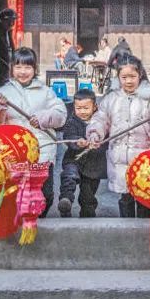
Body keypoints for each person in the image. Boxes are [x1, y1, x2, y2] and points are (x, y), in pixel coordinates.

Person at [0, 47, 67, 217]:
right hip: (14, 152)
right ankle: (22, 224)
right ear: (12, 68)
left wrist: (43, 119)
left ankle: (38, 221)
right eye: (18, 67)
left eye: (27, 67)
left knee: (45, 194)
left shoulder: (46, 92)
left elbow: (61, 114)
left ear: (35, 69)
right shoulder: (2, 93)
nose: (23, 72)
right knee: (18, 194)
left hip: (42, 150)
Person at [86, 54, 150, 218]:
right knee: (125, 197)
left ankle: (143, 228)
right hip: (119, 159)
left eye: (132, 76)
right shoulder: (112, 98)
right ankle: (126, 227)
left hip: (144, 159)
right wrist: (95, 133)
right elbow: (101, 119)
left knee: (144, 198)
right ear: (118, 77)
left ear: (140, 75)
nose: (128, 81)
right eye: (124, 77)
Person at [58, 89, 107, 218]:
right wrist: (77, 141)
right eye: (78, 108)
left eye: (86, 108)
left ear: (94, 107)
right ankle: (66, 200)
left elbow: (106, 138)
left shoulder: (102, 122)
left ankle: (88, 212)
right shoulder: (72, 121)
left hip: (93, 164)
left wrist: (98, 143)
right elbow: (68, 136)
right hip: (74, 159)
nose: (82, 112)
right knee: (69, 176)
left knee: (88, 194)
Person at [0, 8, 17, 88]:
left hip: (7, 64)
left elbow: (11, 47)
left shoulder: (8, 31)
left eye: (13, 21)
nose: (11, 24)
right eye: (8, 21)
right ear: (2, 21)